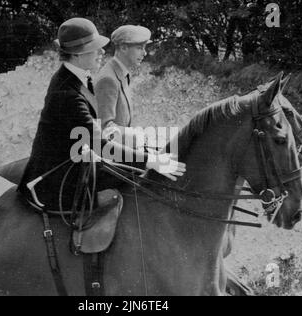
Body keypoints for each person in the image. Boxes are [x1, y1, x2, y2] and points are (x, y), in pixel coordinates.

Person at [18, 18, 185, 211]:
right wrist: (150, 160)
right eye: (95, 47)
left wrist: (145, 151)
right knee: (138, 177)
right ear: (76, 54)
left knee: (138, 171)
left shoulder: (78, 76)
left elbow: (96, 134)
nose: (102, 51)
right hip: (58, 178)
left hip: (79, 160)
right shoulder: (67, 93)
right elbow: (99, 143)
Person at [95, 25, 152, 145]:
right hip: (111, 157)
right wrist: (138, 136)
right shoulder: (108, 79)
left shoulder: (122, 74)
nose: (144, 53)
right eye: (139, 48)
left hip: (122, 151)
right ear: (123, 48)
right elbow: (105, 129)